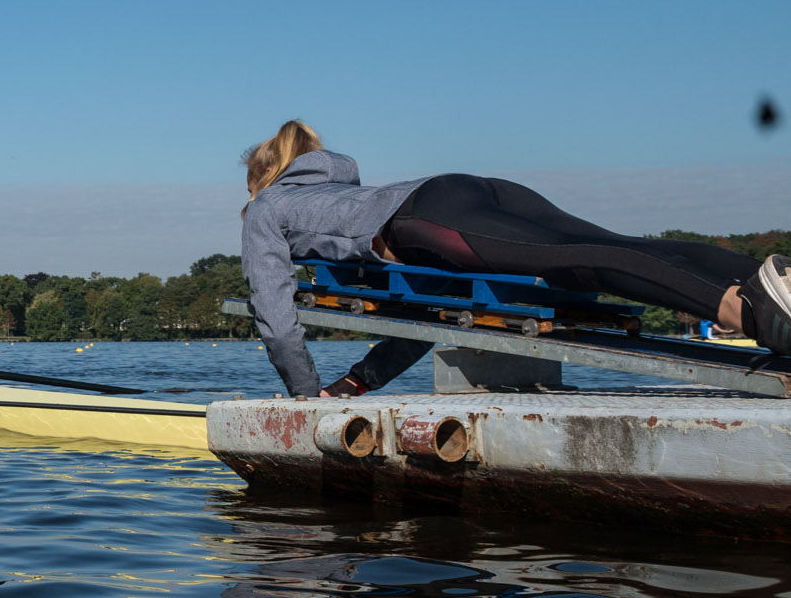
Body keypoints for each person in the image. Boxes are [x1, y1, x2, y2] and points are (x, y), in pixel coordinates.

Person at [239, 119, 791, 399]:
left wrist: (305, 396)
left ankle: (749, 311)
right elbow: (428, 309)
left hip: (425, 217)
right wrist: (360, 382)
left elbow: (276, 319)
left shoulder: (266, 208)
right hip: (469, 187)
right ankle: (758, 277)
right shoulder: (344, 192)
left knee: (585, 259)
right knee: (617, 243)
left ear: (262, 177)